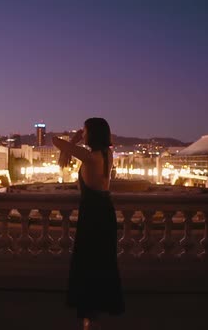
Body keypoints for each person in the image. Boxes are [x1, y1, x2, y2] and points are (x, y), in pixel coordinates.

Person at [52, 117, 125, 330]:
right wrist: (76, 140)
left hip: (92, 214)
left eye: (84, 131)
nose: (82, 133)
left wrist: (73, 139)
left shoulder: (91, 157)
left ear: (91, 134)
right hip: (105, 211)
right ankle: (100, 308)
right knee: (103, 261)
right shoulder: (107, 154)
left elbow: (56, 140)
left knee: (87, 262)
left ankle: (89, 315)